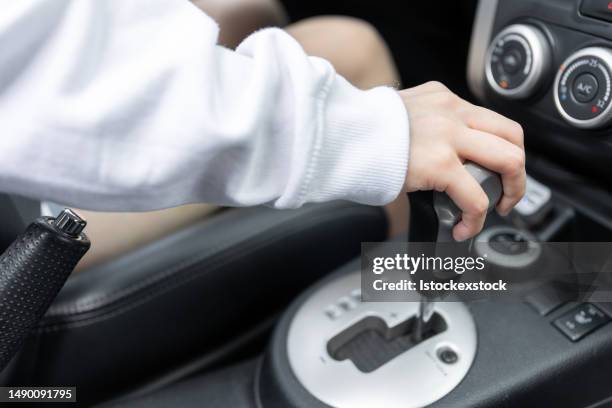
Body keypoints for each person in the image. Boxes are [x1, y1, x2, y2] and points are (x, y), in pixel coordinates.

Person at [0, 1, 525, 269]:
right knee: (355, 48)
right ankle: (406, 290)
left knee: (243, 11)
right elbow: (55, 71)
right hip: (24, 235)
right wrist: (373, 131)